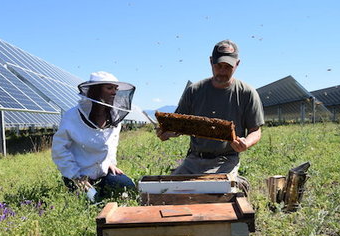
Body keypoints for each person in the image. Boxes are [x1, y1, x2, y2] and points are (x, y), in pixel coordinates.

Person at [157, 39, 264, 190]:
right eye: (218, 65)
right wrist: (166, 132)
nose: (222, 71)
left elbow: (256, 130)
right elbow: (178, 127)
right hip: (194, 160)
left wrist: (246, 142)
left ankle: (236, 181)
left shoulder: (247, 93)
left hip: (225, 160)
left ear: (237, 64)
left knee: (217, 194)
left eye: (228, 67)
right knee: (168, 191)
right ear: (210, 61)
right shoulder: (194, 90)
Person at [52, 71, 136, 201]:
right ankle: (81, 190)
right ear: (96, 91)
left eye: (115, 89)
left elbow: (112, 145)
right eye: (109, 88)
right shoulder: (71, 117)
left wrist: (110, 163)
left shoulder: (114, 118)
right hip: (78, 175)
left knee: (128, 187)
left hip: (103, 174)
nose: (114, 92)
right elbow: (60, 149)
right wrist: (76, 177)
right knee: (94, 200)